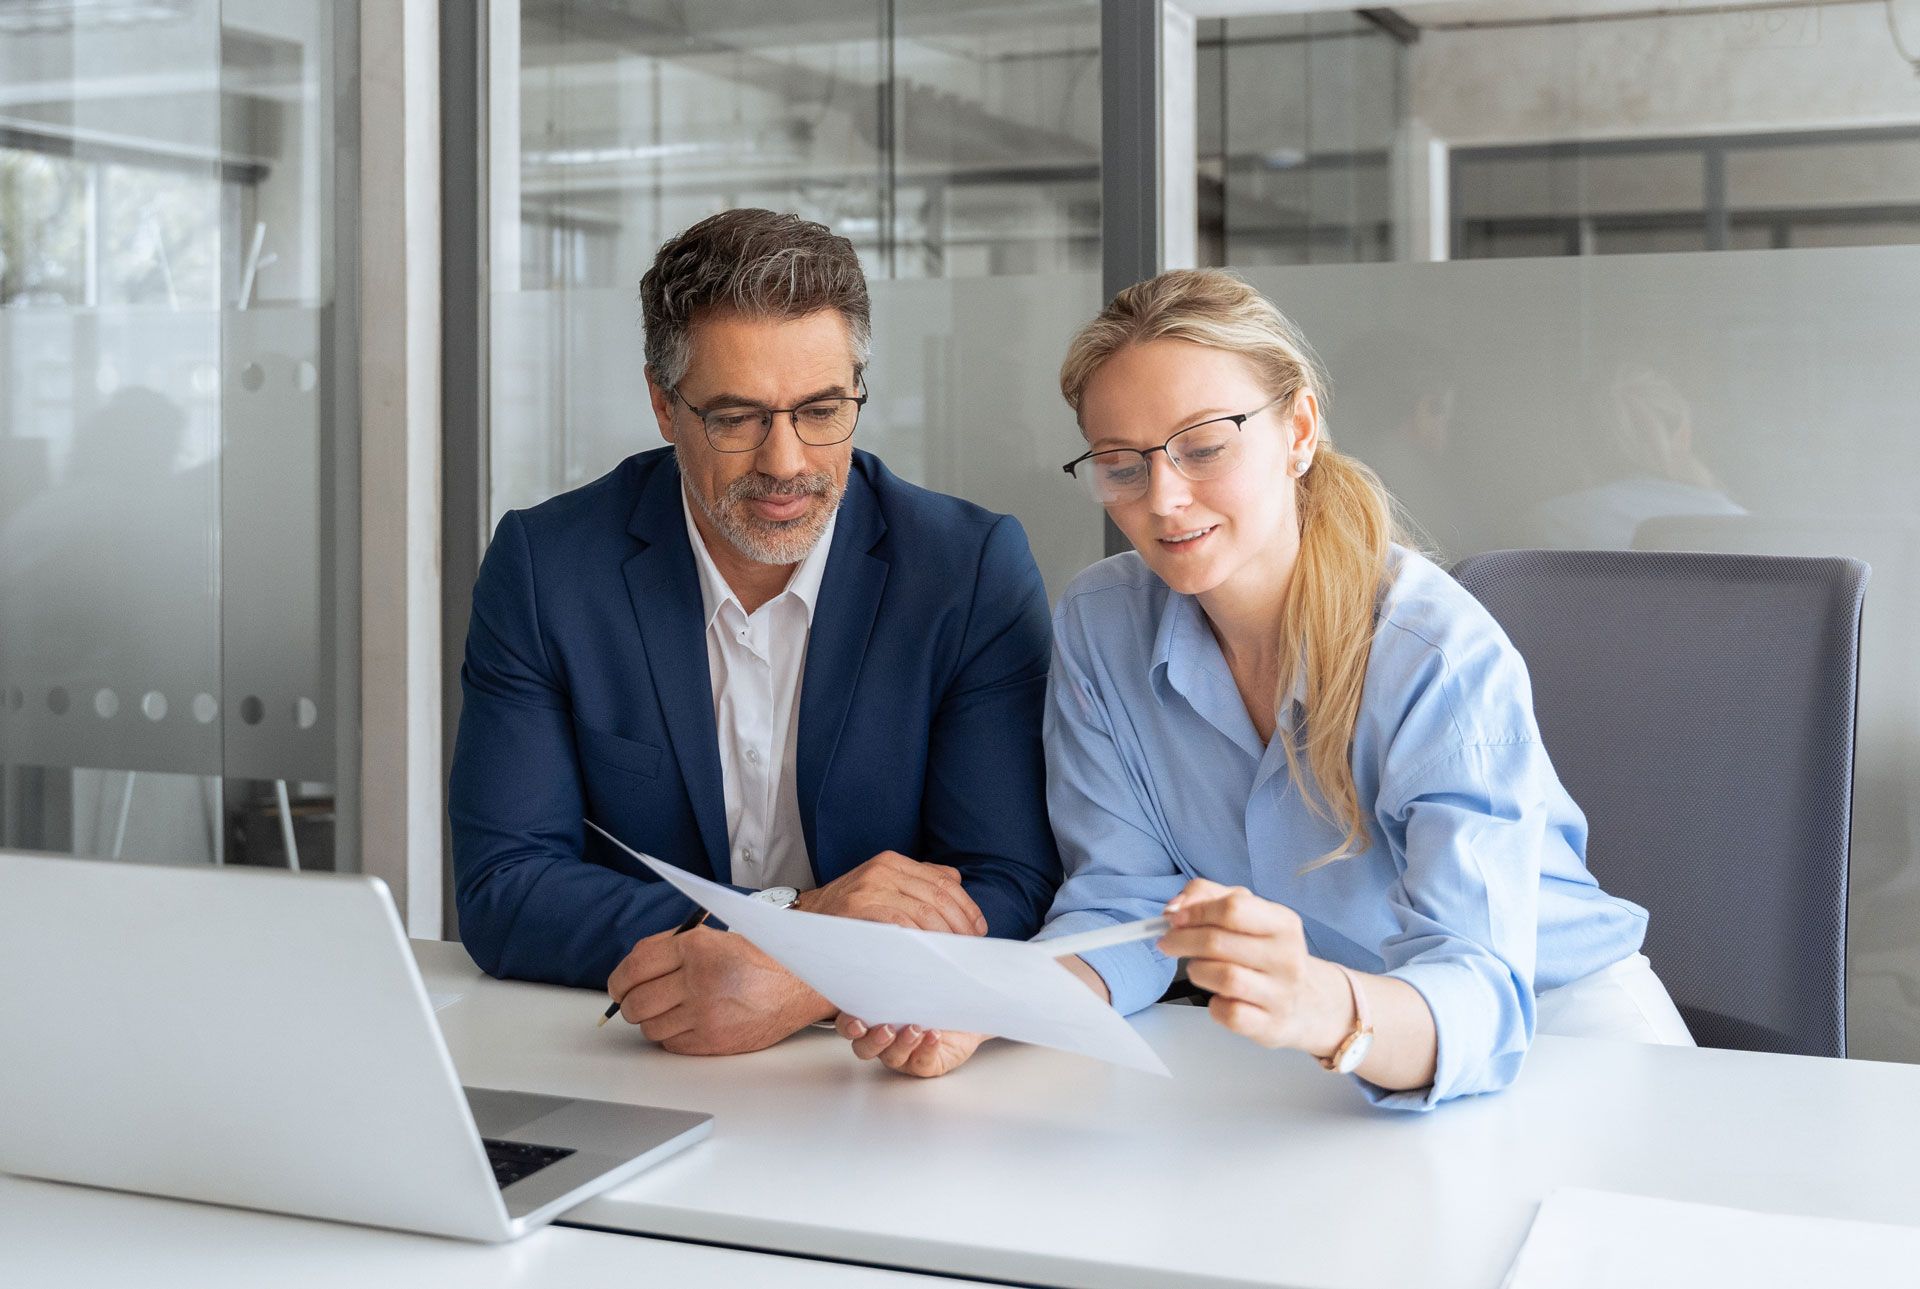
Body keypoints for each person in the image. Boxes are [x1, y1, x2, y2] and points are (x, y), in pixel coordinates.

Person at [839, 268, 1692, 1108]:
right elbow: (1126, 907)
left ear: (1299, 429)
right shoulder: (1103, 625)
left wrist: (1321, 1004)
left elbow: (1479, 989)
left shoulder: (1432, 651)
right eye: (1122, 465)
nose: (1165, 499)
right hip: (1322, 1065)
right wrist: (996, 1003)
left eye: (1204, 447)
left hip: (1567, 1043)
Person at [450, 209, 1060, 1055]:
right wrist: (802, 921)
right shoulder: (548, 569)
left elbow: (1011, 881)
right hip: (633, 1056)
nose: (785, 462)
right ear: (664, 406)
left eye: (821, 410)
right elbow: (505, 889)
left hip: (876, 1064)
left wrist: (800, 978)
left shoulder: (967, 571)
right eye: (736, 418)